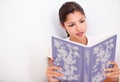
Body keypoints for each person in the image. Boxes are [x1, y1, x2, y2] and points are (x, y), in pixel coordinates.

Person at [46, 1, 120, 82]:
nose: (79, 28)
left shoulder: (101, 45)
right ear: (63, 26)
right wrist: (52, 80)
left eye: (81, 21)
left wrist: (115, 78)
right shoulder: (57, 48)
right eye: (71, 25)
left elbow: (109, 80)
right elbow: (55, 79)